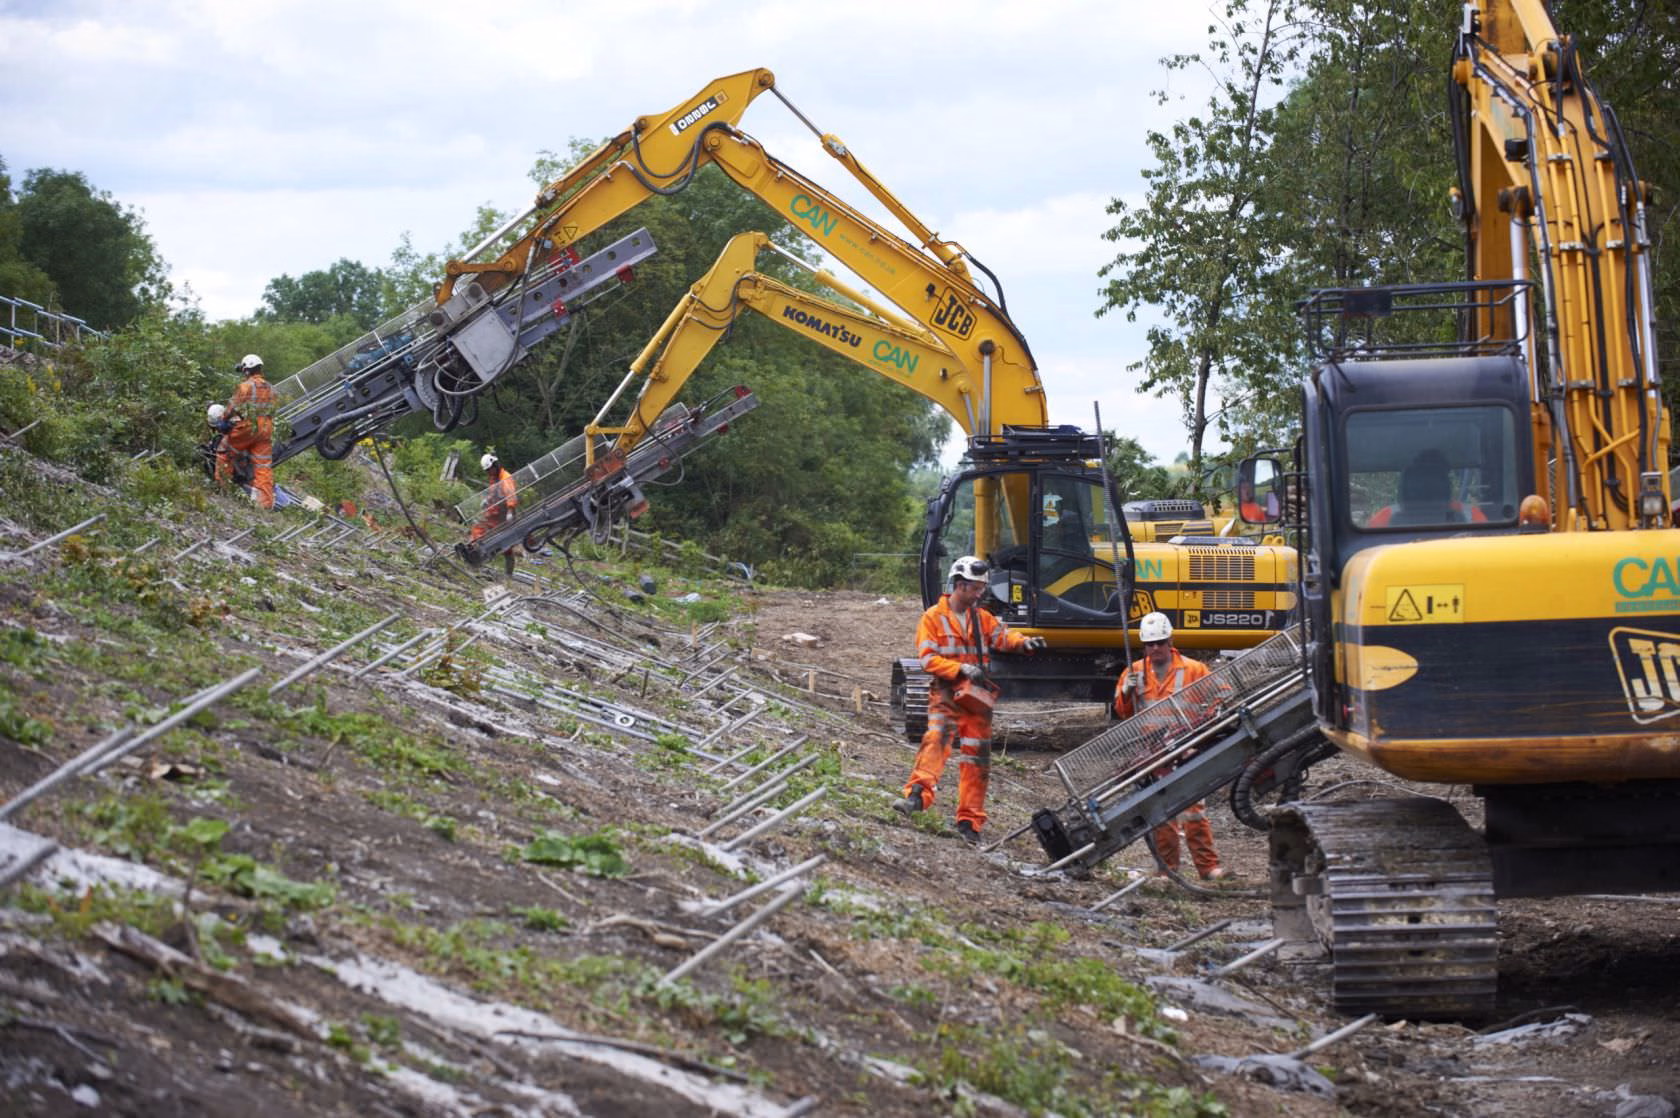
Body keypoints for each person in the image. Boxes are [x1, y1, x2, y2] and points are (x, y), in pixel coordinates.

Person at [893, 555, 1047, 843]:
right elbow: (927, 659)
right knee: (936, 739)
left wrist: (1024, 643)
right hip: (947, 694)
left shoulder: (982, 618)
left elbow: (1002, 636)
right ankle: (917, 796)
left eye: (981, 589)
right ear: (960, 585)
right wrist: (959, 668)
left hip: (976, 700)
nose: (980, 594)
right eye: (975, 588)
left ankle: (969, 823)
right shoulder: (932, 618)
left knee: (977, 760)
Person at [1113, 611, 1227, 881]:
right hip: (1152, 756)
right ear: (1144, 645)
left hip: (1185, 751)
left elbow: (1223, 694)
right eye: (1150, 644)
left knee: (1193, 813)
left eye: (1160, 642)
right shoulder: (1134, 672)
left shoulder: (1193, 669)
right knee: (1161, 815)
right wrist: (1126, 693)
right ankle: (1167, 869)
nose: (1155, 648)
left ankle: (1208, 868)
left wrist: (1204, 729)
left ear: (1170, 641)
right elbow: (1123, 712)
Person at [1367, 448, 1486, 527]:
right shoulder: (1471, 515)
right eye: (1419, 476)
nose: (1426, 484)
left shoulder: (1470, 515)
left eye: (1434, 476)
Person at [216, 354, 275, 509]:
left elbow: (233, 407)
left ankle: (223, 491)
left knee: (224, 452)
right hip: (266, 428)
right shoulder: (269, 387)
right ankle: (265, 504)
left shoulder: (245, 386)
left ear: (247, 370)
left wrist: (223, 420)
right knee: (263, 466)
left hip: (249, 426)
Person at [470, 452, 519, 577]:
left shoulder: (505, 477)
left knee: (506, 545)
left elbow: (511, 495)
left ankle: (508, 574)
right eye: (487, 471)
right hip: (494, 514)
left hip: (503, 515)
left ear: (495, 465)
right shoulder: (494, 478)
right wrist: (487, 500)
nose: (489, 472)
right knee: (478, 533)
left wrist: (510, 511)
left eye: (490, 469)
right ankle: (475, 561)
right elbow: (494, 493)